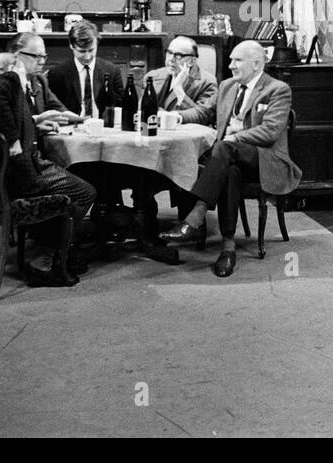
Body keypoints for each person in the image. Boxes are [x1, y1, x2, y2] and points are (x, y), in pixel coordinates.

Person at [161, 40, 301, 278]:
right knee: (229, 170)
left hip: (264, 159)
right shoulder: (227, 86)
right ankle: (228, 249)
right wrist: (178, 116)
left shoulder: (278, 89)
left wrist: (235, 138)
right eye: (231, 60)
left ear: (257, 64)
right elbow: (206, 112)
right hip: (228, 160)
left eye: (237, 60)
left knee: (225, 149)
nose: (231, 65)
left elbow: (270, 131)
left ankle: (197, 212)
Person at [0, 52, 96, 286]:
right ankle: (48, 258)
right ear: (12, 66)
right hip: (17, 176)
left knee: (67, 192)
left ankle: (56, 251)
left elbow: (4, 117)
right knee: (84, 191)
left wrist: (34, 123)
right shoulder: (7, 81)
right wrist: (14, 140)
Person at [130, 35, 219, 248]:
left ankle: (190, 227)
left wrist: (179, 94)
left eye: (178, 55)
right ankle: (146, 228)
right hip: (155, 144)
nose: (171, 58)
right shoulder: (155, 76)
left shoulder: (207, 81)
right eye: (169, 52)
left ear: (193, 59)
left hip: (189, 150)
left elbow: (204, 114)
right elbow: (144, 109)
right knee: (140, 172)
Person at [47, 21, 124, 119]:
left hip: (104, 125)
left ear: (97, 43)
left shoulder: (112, 70)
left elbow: (121, 105)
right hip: (71, 127)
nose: (87, 57)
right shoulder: (57, 74)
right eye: (82, 51)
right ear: (71, 45)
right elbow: (53, 108)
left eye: (91, 50)